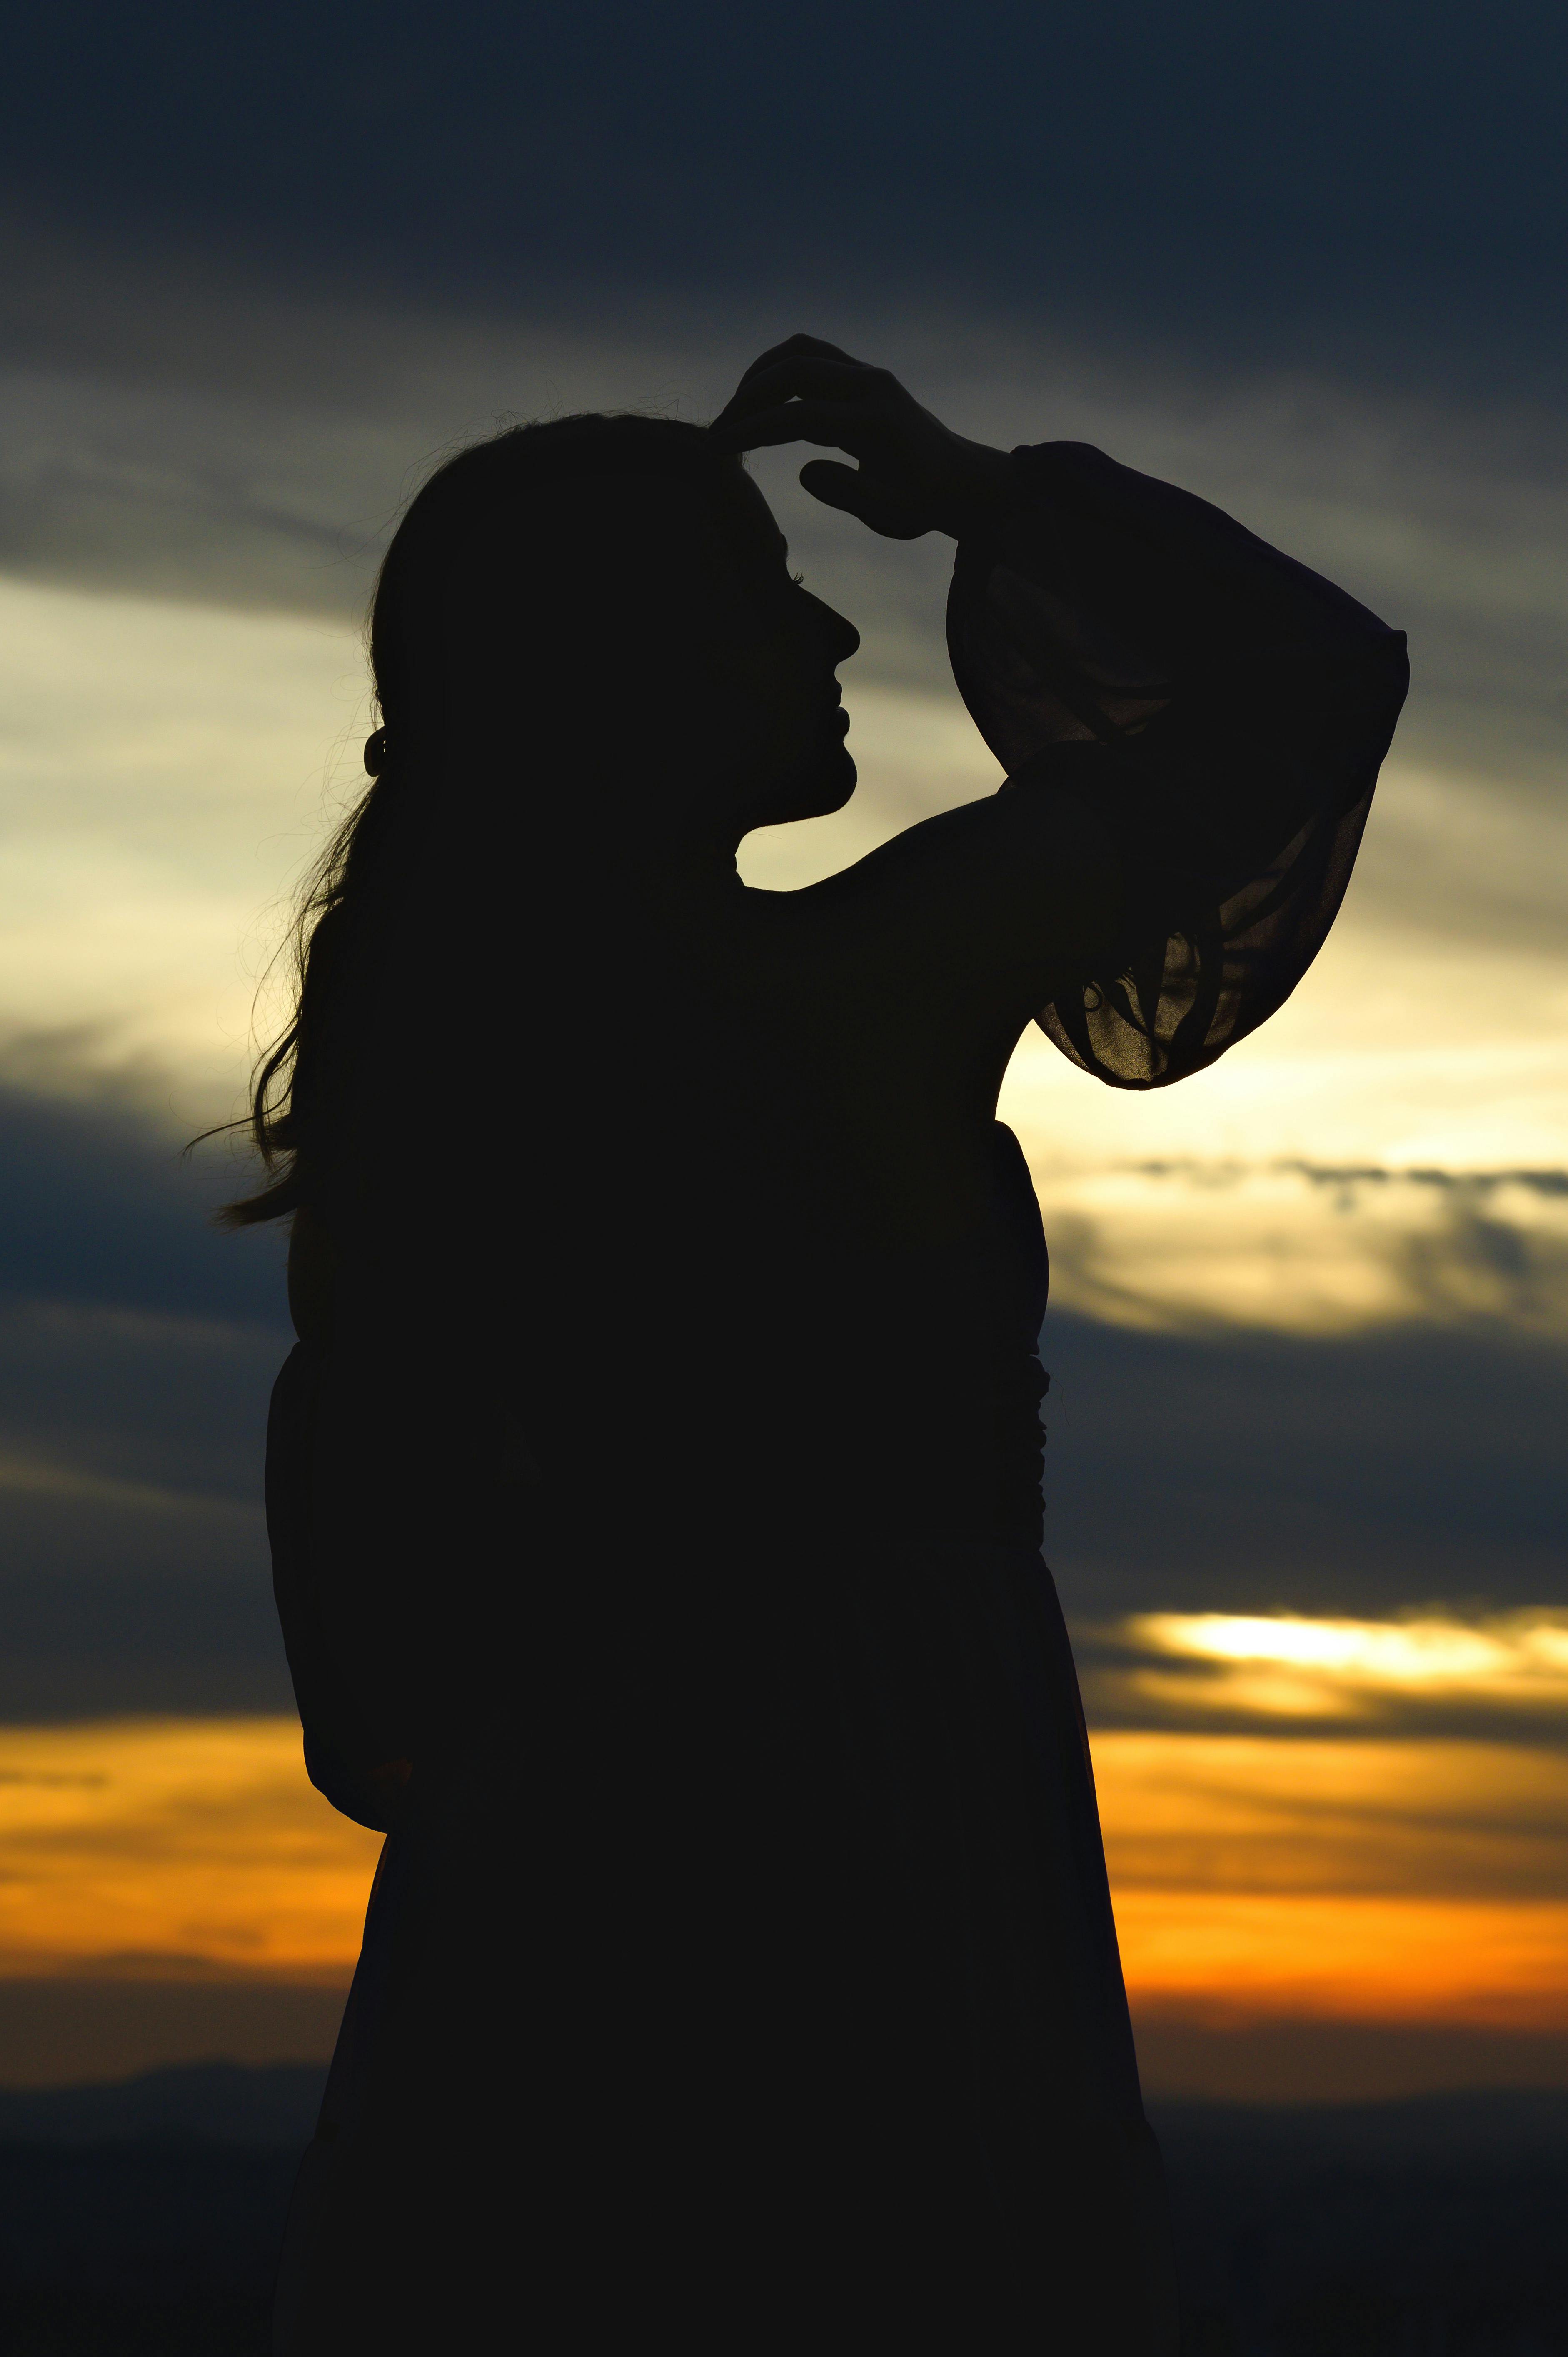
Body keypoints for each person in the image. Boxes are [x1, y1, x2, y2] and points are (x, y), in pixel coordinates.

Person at [237, 337, 1407, 2352]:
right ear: (635, 670)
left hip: (556, 1863)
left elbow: (365, 1660)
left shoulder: (432, 1069)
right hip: (881, 1825)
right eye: (758, 587)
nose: (833, 621)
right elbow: (1306, 681)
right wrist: (985, 494)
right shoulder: (872, 981)